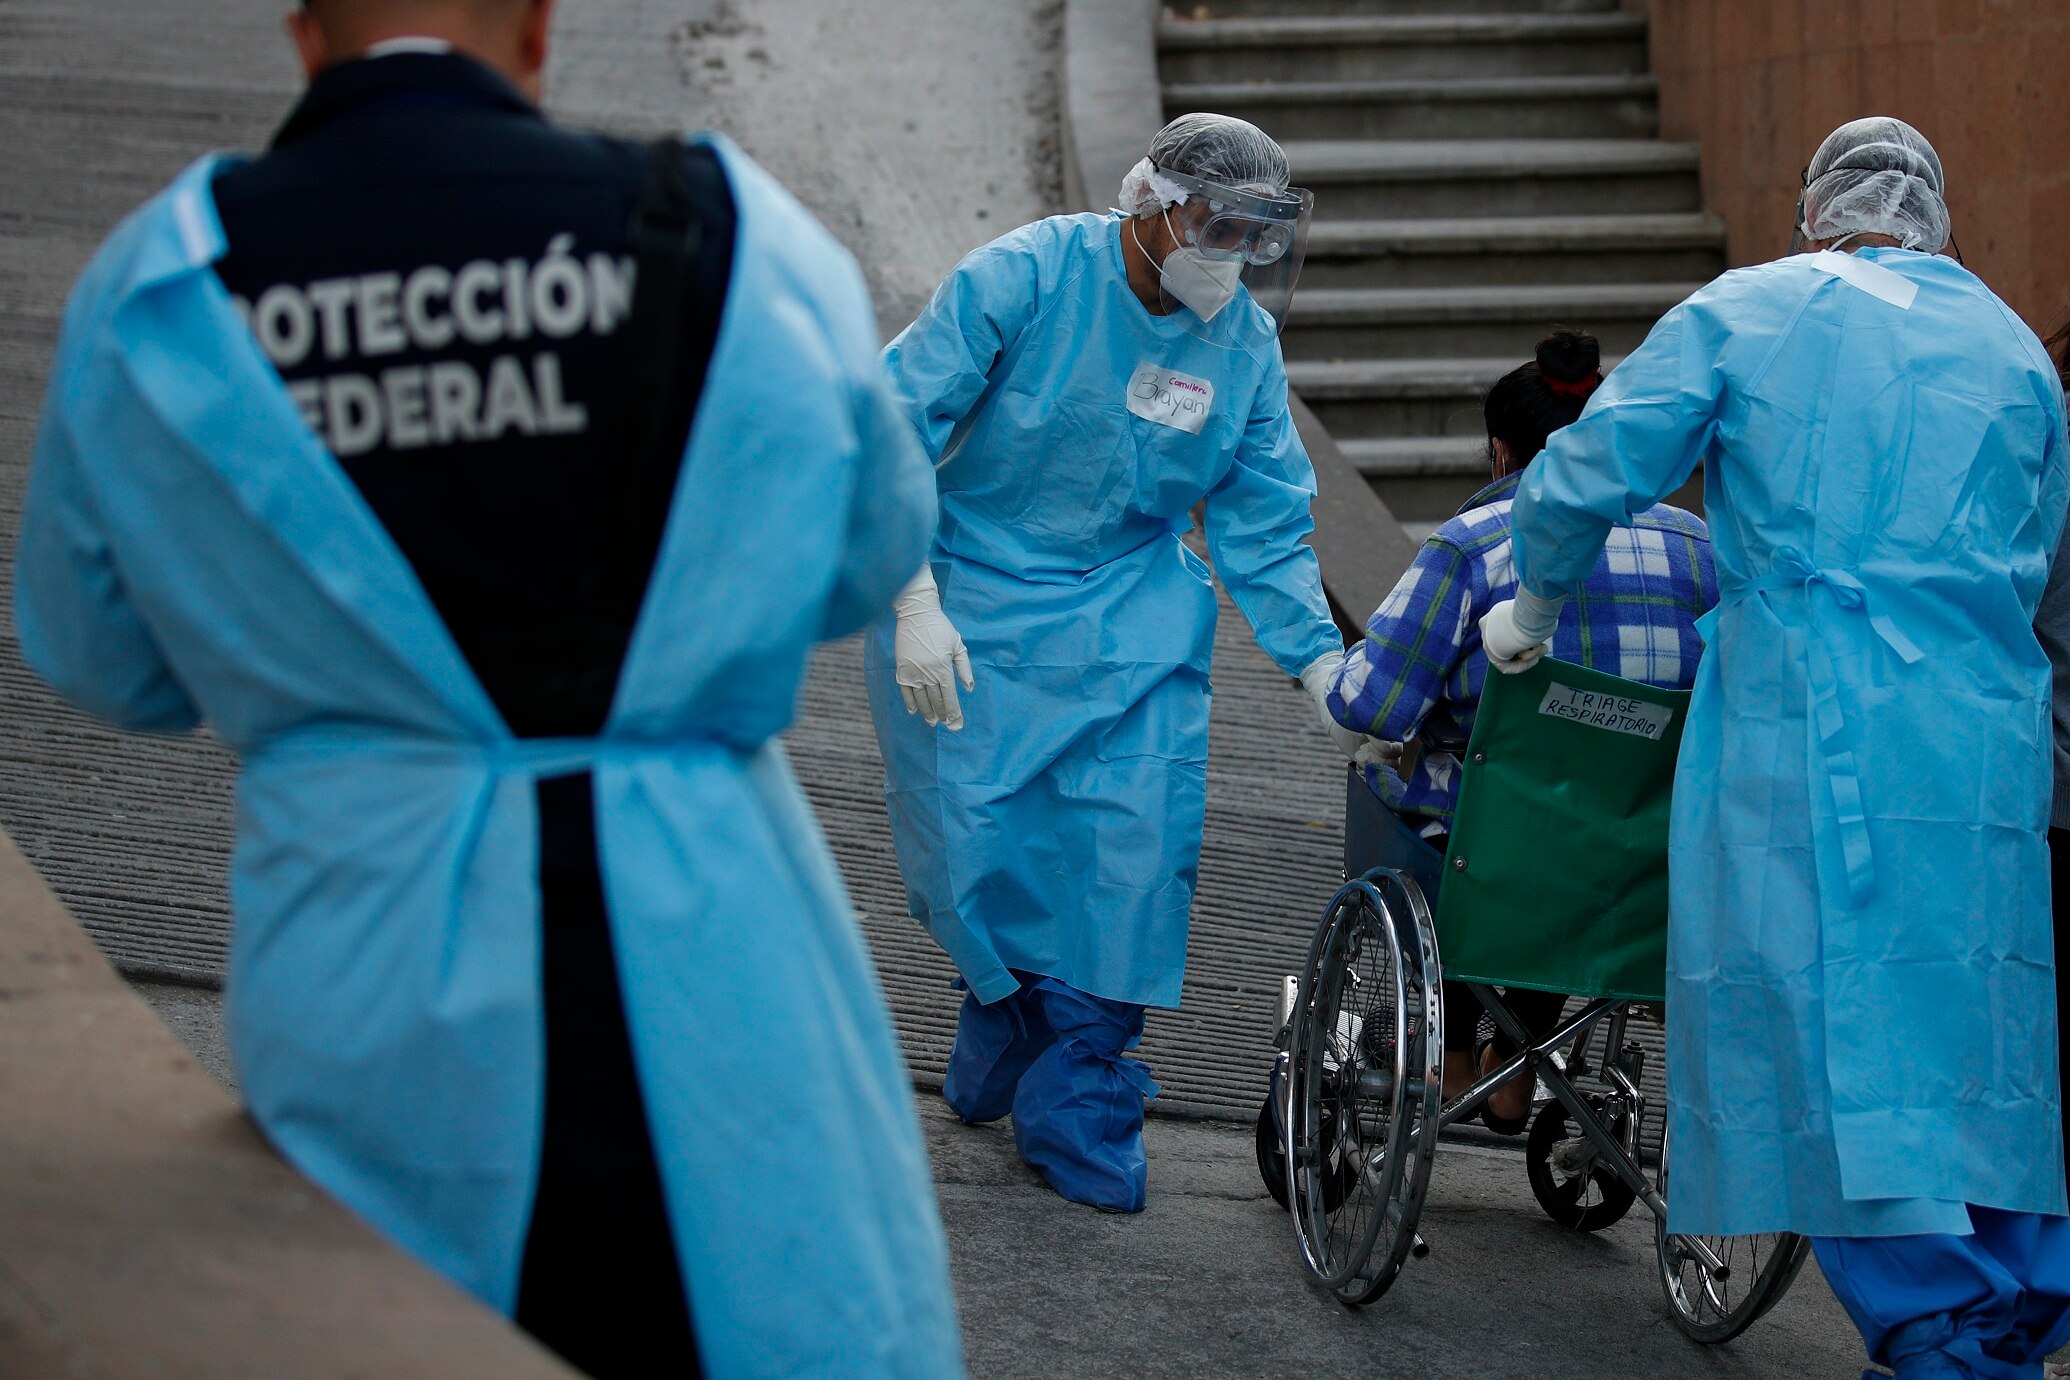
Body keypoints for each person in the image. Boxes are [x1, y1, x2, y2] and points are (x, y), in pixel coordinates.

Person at [13, 2, 962, 1376]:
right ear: (533, 30)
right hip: (711, 940)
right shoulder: (732, 233)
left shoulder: (163, 278)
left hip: (365, 947)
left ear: (303, 37)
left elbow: (100, 659)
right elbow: (870, 550)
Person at [1483, 116, 2070, 1379]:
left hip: (1809, 720)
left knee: (1819, 1021)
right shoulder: (2014, 349)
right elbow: (2057, 579)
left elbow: (1590, 468)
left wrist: (1532, 605)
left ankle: (1943, 1334)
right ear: (1937, 214)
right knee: (1977, 1033)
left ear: (1814, 211)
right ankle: (2016, 1308)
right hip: (1979, 743)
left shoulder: (1755, 310)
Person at [865, 113, 1362, 1213]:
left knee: (1132, 857)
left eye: (1255, 234)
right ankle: (1005, 1006)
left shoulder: (1240, 343)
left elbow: (1266, 521)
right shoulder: (1028, 276)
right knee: (979, 848)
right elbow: (890, 421)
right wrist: (909, 596)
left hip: (1132, 623)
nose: (1228, 252)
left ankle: (1082, 1086)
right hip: (971, 607)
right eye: (1214, 223)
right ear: (1151, 202)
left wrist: (1322, 670)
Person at [1325, 329, 1716, 1133]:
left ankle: (1461, 1044)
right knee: (1573, 813)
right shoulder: (1696, 547)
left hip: (1491, 854)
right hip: (1642, 855)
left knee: (1451, 805)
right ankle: (1525, 1048)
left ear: (1501, 452)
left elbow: (1376, 707)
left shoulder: (1473, 546)